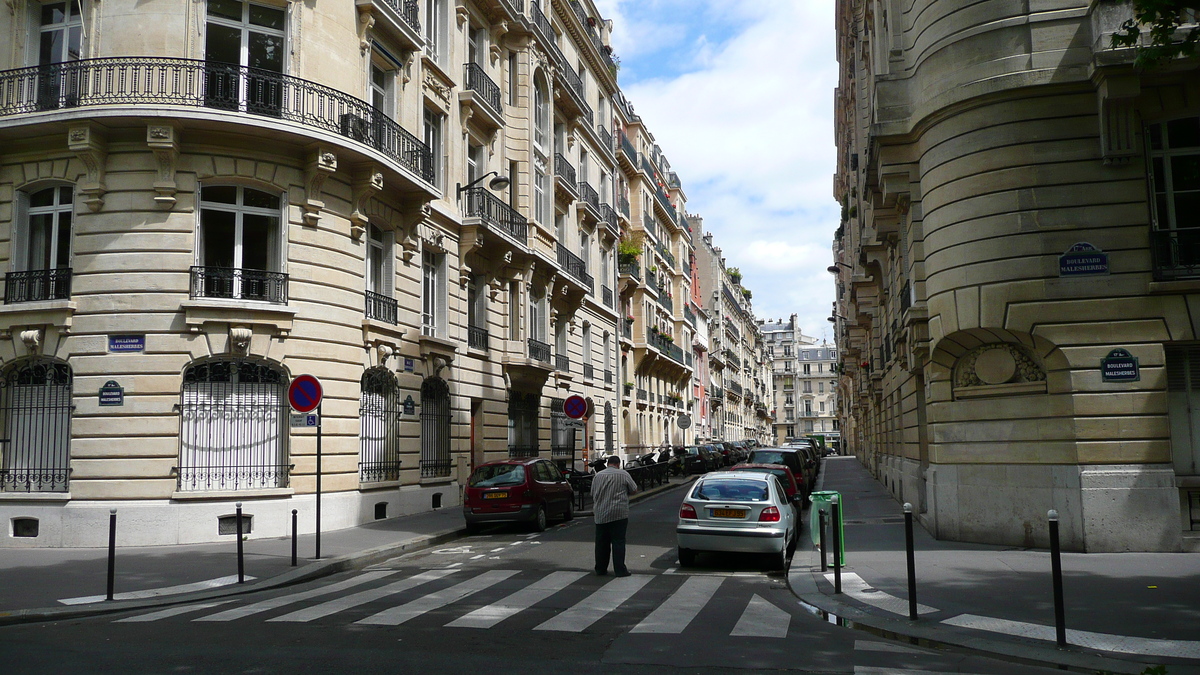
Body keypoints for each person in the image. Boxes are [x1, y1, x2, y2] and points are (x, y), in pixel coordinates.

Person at [590, 455, 638, 576]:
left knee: (601, 543)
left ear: (608, 464)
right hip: (619, 514)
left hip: (601, 514)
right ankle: (620, 570)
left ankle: (600, 569)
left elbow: (592, 493)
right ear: (618, 464)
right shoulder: (623, 474)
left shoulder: (598, 476)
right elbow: (634, 489)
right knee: (618, 542)